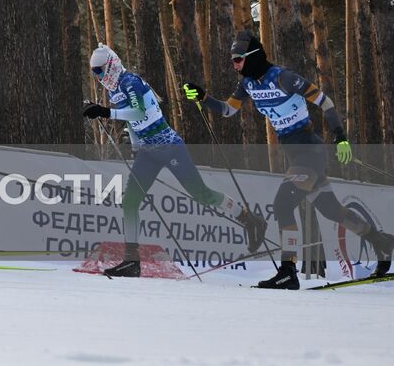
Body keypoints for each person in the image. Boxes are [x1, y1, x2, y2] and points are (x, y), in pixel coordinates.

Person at [184, 30, 394, 288]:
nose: (235, 65)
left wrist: (341, 137)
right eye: (233, 60)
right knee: (331, 211)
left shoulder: (284, 78)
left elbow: (325, 102)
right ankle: (381, 241)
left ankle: (288, 271)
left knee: (283, 204)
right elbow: (229, 110)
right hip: (296, 154)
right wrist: (203, 97)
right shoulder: (249, 84)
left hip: (309, 150)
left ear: (252, 57)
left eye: (238, 59)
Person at [81, 43, 265, 278]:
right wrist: (135, 145)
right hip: (149, 151)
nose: (98, 77)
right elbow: (132, 121)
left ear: (111, 65)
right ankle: (132, 260)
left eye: (99, 71)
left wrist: (105, 112)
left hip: (169, 147)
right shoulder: (114, 89)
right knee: (130, 202)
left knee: (201, 194)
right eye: (94, 72)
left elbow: (139, 113)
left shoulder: (130, 82)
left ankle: (249, 219)